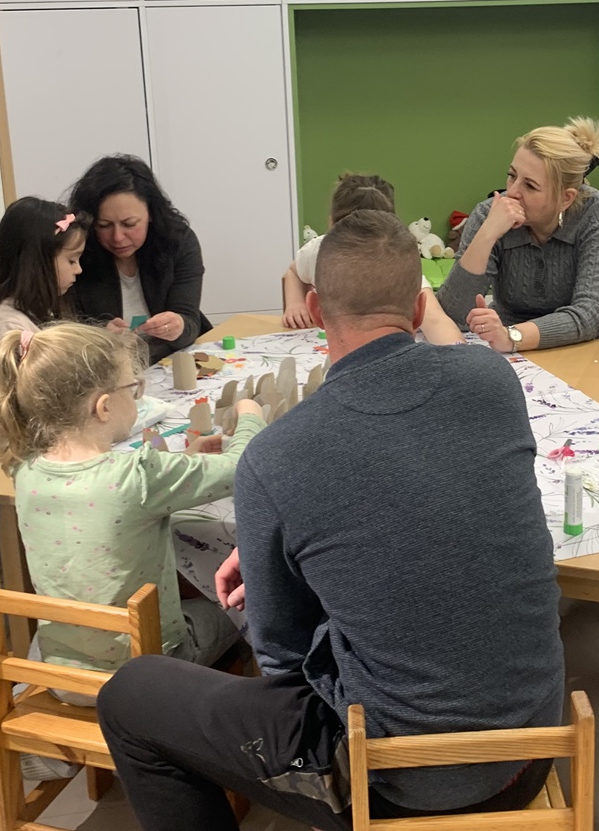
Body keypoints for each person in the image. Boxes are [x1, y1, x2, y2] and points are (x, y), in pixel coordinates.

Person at [97, 210, 564, 831]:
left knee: (131, 695)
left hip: (402, 784)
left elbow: (283, 659)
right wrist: (293, 549)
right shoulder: (491, 379)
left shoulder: (276, 456)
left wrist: (281, 557)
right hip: (532, 747)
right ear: (418, 306)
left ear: (314, 309)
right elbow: (417, 499)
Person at [0, 320, 257, 678]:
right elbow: (240, 465)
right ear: (104, 407)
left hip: (62, 671)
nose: (138, 395)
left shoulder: (25, 468)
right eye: (133, 387)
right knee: (239, 605)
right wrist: (249, 413)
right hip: (145, 669)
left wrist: (185, 460)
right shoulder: (139, 475)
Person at [437, 117, 599, 350]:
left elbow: (590, 315)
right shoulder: (489, 214)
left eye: (530, 186)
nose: (512, 192)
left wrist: (513, 337)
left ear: (565, 198)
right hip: (513, 344)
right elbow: (452, 315)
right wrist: (486, 234)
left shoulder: (598, 214)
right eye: (512, 175)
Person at [281, 173, 464, 344]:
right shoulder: (317, 251)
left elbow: (436, 321)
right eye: (350, 244)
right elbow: (293, 272)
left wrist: (459, 356)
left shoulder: (399, 262)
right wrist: (295, 304)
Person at [68, 155, 211, 363]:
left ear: (151, 214)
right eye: (104, 225)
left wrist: (178, 325)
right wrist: (99, 336)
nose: (117, 237)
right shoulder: (76, 254)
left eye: (130, 224)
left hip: (172, 361)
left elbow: (189, 322)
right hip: (108, 366)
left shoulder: (177, 241)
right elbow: (67, 333)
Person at [0, 196, 90, 380]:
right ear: (36, 262)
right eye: (71, 260)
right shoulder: (8, 329)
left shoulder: (44, 312)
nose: (78, 269)